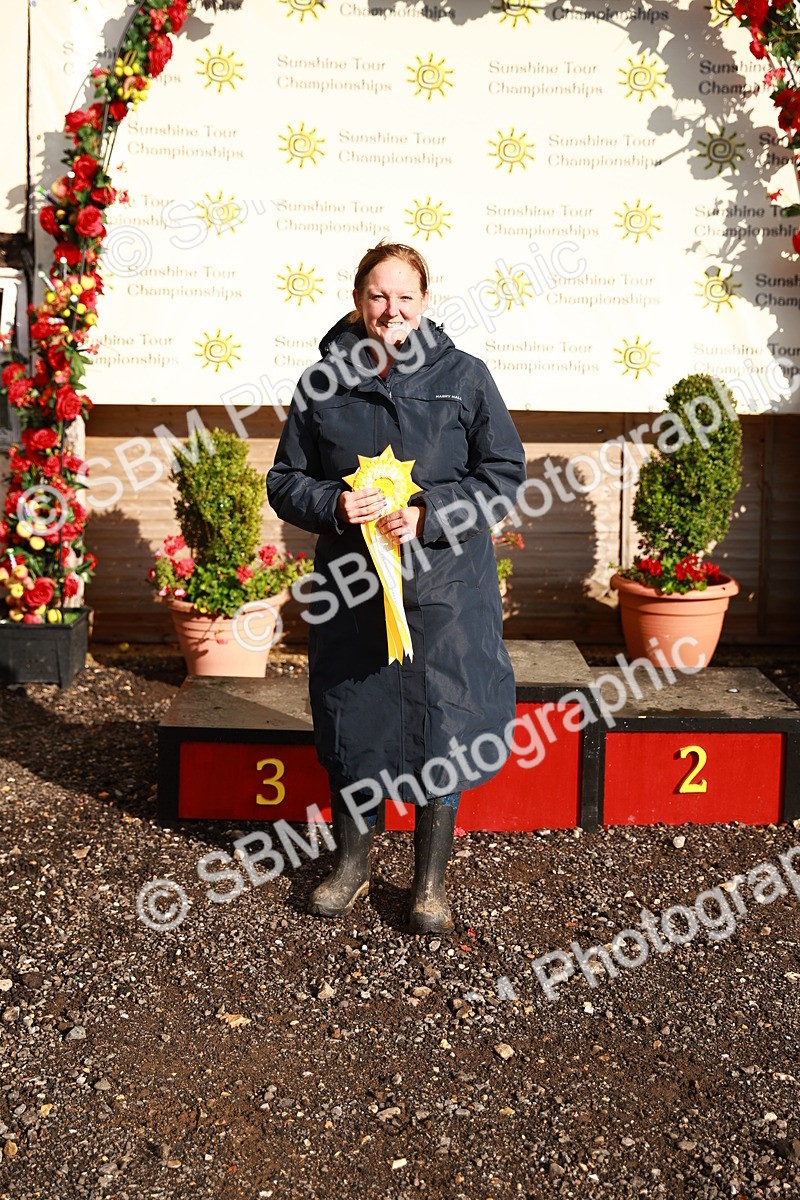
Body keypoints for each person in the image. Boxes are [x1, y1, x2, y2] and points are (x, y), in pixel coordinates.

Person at [266, 242, 527, 933]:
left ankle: (429, 883)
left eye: (405, 297)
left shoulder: (466, 378)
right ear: (358, 301)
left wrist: (429, 514)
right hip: (355, 593)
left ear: (425, 302)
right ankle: (352, 866)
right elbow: (285, 479)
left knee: (443, 727)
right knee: (354, 723)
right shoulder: (321, 383)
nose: (392, 310)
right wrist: (331, 506)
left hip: (445, 595)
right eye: (379, 296)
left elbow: (503, 473)